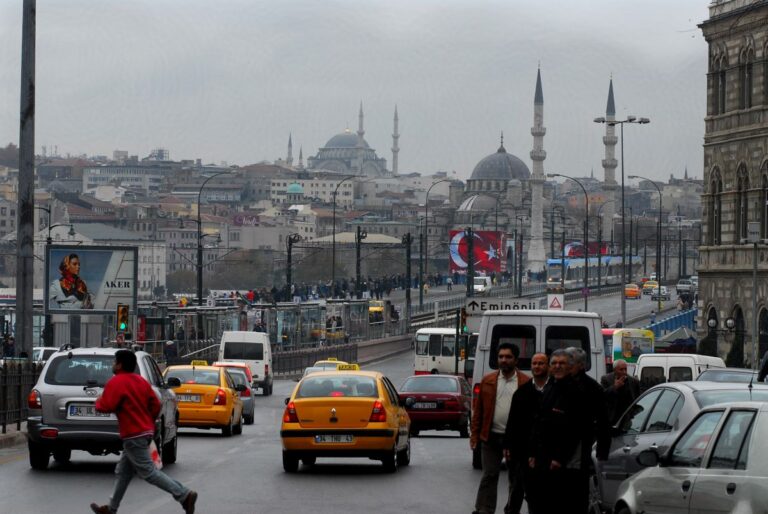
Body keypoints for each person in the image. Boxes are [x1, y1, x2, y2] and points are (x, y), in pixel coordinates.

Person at [90, 350, 197, 514]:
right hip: (145, 431)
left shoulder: (116, 382)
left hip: (133, 434)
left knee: (149, 472)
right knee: (123, 472)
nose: (113, 365)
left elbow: (107, 405)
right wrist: (147, 419)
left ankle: (183, 494)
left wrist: (98, 402)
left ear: (119, 364)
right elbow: (155, 403)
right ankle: (111, 508)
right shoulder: (141, 381)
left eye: (114, 362)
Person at [471, 342, 530, 514]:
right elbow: (479, 412)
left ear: (516, 360)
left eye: (508, 357)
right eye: (501, 356)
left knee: (515, 478)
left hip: (515, 440)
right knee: (489, 475)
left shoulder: (525, 382)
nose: (504, 360)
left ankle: (512, 509)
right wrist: (474, 436)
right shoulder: (488, 380)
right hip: (490, 437)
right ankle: (483, 509)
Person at [528, 349, 585, 514]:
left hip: (561, 463)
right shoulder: (549, 388)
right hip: (541, 458)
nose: (558, 366)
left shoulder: (575, 392)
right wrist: (532, 453)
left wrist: (559, 458)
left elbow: (574, 431)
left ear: (570, 367)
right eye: (554, 363)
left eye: (562, 363)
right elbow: (538, 423)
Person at [565, 347, 611, 513]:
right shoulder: (557, 384)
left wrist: (602, 452)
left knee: (578, 491)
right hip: (556, 448)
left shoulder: (593, 388)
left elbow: (603, 421)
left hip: (580, 446)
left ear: (581, 365)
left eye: (571, 362)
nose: (567, 365)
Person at [504, 353, 550, 514]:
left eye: (541, 363)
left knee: (537, 494)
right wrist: (508, 445)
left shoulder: (554, 391)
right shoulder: (522, 393)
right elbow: (512, 421)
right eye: (534, 363)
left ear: (548, 366)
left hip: (545, 451)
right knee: (517, 488)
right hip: (521, 450)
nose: (537, 366)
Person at [601, 359, 640, 425]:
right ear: (615, 370)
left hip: (627, 419)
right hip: (611, 418)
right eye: (621, 369)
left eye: (625, 369)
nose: (624, 372)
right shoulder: (606, 379)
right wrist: (614, 387)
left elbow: (637, 399)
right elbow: (602, 396)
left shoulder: (633, 381)